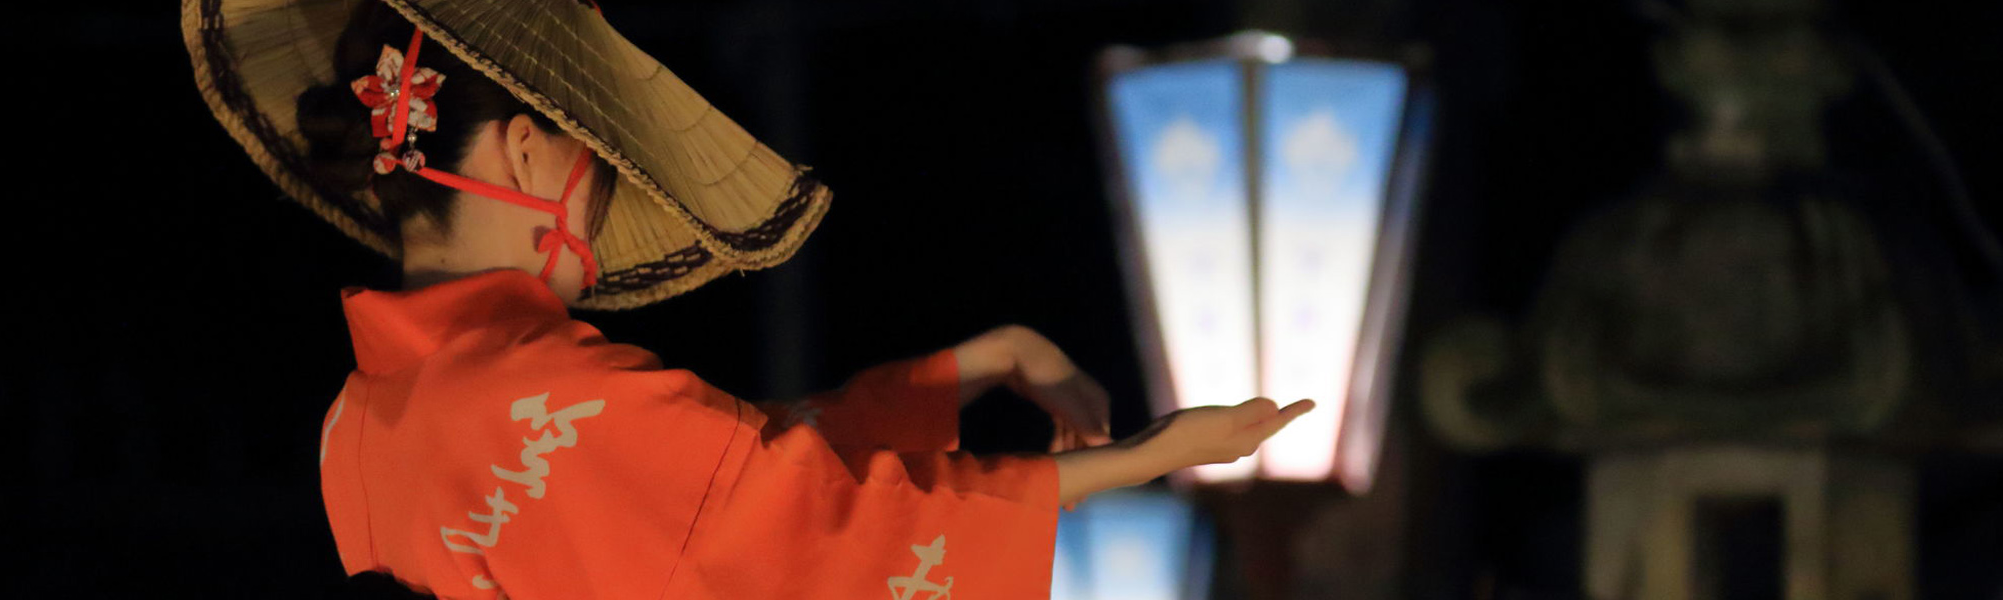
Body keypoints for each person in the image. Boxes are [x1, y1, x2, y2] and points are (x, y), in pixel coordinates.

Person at [185, 1, 1314, 598]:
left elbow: (742, 476)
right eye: (600, 175)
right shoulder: (548, 394)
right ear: (528, 152)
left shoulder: (355, 423)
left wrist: (974, 366)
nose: (598, 222)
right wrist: (1140, 458)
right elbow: (803, 523)